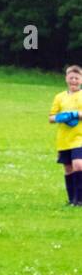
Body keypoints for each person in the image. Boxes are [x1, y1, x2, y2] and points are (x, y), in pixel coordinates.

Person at [48, 64, 82, 206]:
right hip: (63, 138)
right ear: (66, 79)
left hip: (79, 137)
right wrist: (61, 117)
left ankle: (79, 199)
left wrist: (75, 115)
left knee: (78, 165)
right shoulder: (59, 97)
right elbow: (51, 118)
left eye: (77, 78)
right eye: (71, 78)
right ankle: (71, 199)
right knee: (68, 168)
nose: (73, 81)